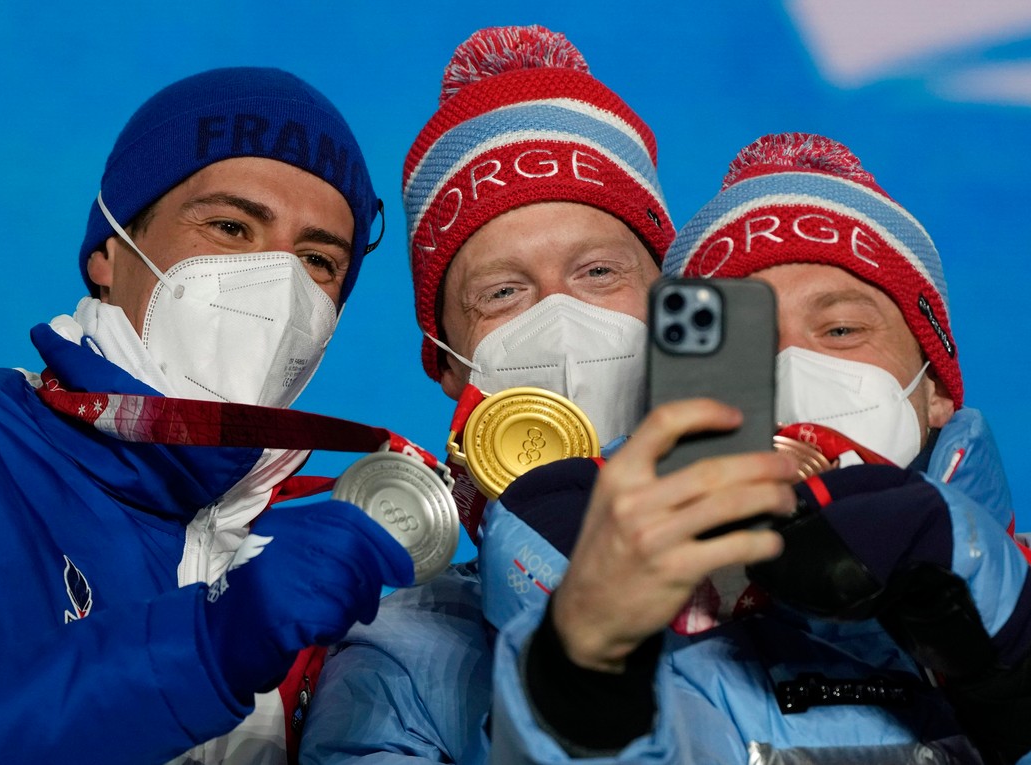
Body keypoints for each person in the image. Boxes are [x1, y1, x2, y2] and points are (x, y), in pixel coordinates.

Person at [486, 133, 1031, 764]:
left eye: (840, 332)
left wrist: (1026, 659)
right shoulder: (663, 642)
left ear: (934, 390)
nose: (797, 367)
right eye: (755, 346)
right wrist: (582, 662)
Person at [0, 67, 415, 765]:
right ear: (109, 252)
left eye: (318, 260)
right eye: (232, 226)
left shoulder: (335, 555)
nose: (278, 283)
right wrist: (204, 646)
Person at [301, 26, 789, 765]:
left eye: (598, 273)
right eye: (503, 292)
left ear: (672, 305)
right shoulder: (393, 663)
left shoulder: (839, 596)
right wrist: (553, 610)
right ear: (449, 365)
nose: (560, 319)